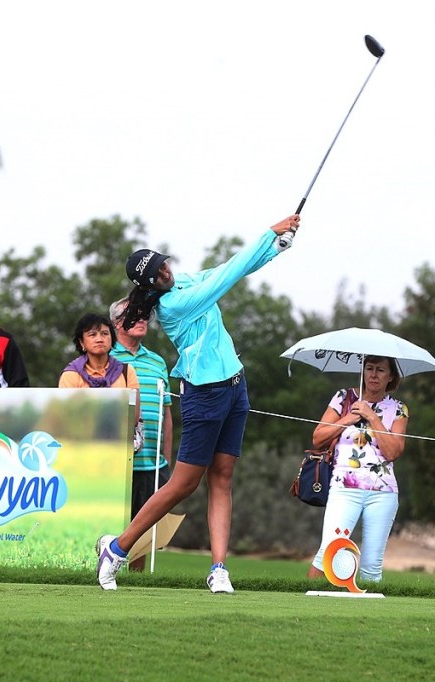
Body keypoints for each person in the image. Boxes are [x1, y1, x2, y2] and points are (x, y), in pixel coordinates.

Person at [95, 214, 301, 593]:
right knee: (183, 484)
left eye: (164, 265)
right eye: (157, 274)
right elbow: (227, 279)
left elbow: (225, 268)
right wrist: (268, 232)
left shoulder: (184, 281)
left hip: (236, 386)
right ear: (148, 285)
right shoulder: (173, 307)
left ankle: (219, 568)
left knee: (222, 478)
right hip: (204, 394)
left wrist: (274, 249)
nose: (166, 274)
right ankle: (117, 549)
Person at [307, 356, 408, 582]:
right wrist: (348, 419)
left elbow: (392, 452)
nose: (373, 375)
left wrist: (371, 416)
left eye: (380, 370)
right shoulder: (343, 397)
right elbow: (318, 438)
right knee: (328, 553)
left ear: (390, 376)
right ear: (362, 372)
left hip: (383, 492)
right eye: (369, 369)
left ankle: (368, 617)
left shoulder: (399, 409)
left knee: (371, 566)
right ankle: (307, 607)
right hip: (344, 486)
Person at [109, 297, 174, 573]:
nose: (143, 318)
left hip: (151, 464)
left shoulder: (158, 361)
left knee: (142, 531)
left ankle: (135, 585)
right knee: (111, 526)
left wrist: (166, 460)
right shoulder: (106, 358)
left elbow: (167, 414)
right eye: (135, 314)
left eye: (145, 314)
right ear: (116, 323)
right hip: (115, 463)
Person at [58, 313, 140, 392]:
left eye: (104, 334)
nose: (99, 339)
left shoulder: (126, 371)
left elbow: (134, 406)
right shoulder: (71, 375)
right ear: (81, 342)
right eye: (93, 334)